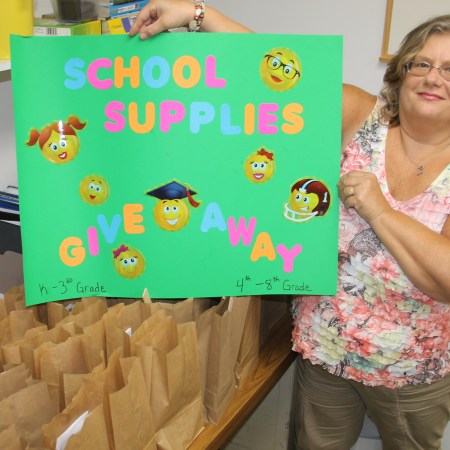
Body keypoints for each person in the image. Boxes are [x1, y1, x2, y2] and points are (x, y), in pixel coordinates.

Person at [130, 4, 450, 449]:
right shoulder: (362, 116)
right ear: (402, 72)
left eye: (449, 69)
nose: (433, 78)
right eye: (422, 64)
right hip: (325, 352)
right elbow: (275, 70)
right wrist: (197, 13)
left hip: (411, 372)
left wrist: (379, 211)